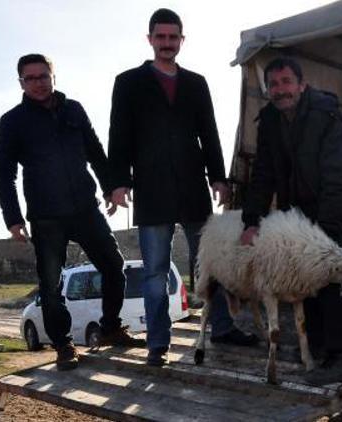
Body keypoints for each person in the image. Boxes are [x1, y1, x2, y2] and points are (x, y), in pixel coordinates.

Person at [108, 9, 257, 367]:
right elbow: (119, 134)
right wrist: (117, 182)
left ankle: (221, 327)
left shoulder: (196, 83)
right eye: (160, 37)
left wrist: (218, 178)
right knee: (156, 271)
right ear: (150, 39)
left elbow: (209, 132)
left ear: (181, 40)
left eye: (173, 37)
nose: (167, 43)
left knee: (211, 262)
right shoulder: (128, 82)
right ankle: (158, 343)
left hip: (192, 187)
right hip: (152, 189)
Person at [0, 54, 144, 371]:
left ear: (53, 76)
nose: (37, 82)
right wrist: (14, 219)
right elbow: (3, 174)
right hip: (46, 216)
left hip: (85, 208)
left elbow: (95, 152)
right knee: (50, 284)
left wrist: (110, 188)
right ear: (21, 82)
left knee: (114, 265)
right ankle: (63, 345)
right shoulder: (13, 121)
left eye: (42, 76)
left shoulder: (73, 109)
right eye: (30, 78)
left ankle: (111, 327)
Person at [240, 57, 342, 371]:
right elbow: (263, 174)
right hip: (298, 209)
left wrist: (326, 230)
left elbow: (339, 174)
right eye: (274, 85)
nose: (280, 90)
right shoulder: (269, 120)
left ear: (301, 85)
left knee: (334, 272)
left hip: (337, 203)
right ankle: (318, 345)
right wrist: (251, 220)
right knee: (304, 275)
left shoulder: (325, 116)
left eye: (286, 82)